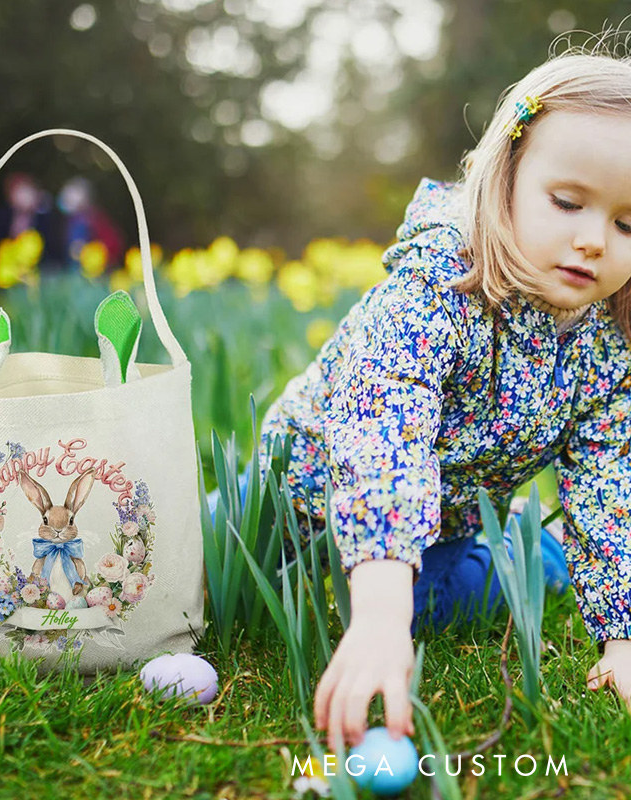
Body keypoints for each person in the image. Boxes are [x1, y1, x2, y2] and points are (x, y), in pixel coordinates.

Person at [257, 48, 631, 750]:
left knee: (432, 603)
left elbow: (610, 481)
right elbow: (383, 433)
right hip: (293, 497)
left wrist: (624, 639)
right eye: (567, 202)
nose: (592, 241)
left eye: (627, 225)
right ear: (505, 176)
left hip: (435, 536)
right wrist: (379, 615)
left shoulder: (608, 346)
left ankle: (533, 555)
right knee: (201, 557)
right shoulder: (438, 286)